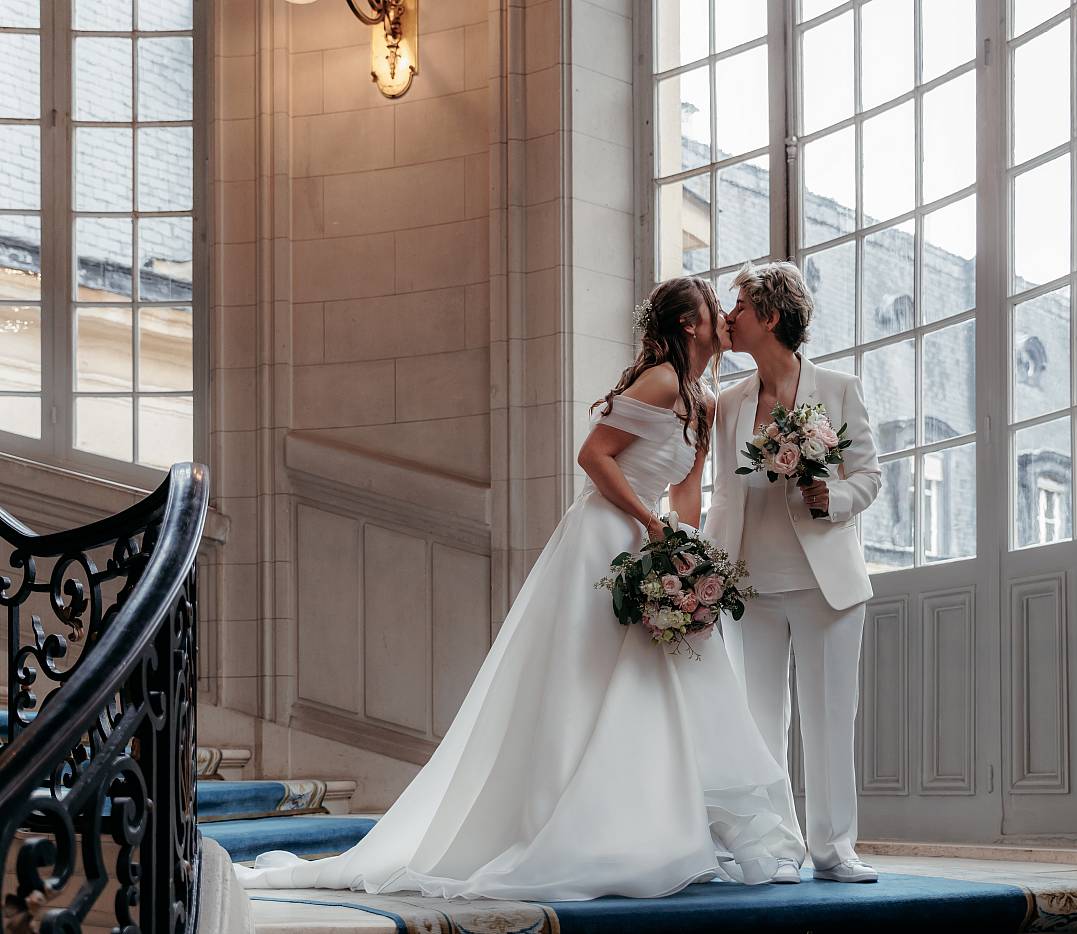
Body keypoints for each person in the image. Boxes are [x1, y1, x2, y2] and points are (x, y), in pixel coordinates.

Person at [235, 276, 805, 900]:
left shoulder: (703, 397)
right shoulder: (663, 379)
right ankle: (564, 825)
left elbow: (688, 490)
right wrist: (648, 524)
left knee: (652, 680)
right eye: (711, 308)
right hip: (605, 536)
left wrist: (686, 550)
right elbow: (593, 456)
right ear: (690, 325)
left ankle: (641, 826)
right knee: (587, 678)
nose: (724, 315)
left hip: (653, 540)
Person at [704, 261, 882, 883]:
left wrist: (828, 496)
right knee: (758, 723)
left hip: (825, 583)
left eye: (740, 308)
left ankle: (835, 850)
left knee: (831, 718)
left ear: (771, 316)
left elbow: (869, 477)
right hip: (751, 586)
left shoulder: (839, 388)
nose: (730, 318)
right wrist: (709, 569)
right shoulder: (727, 405)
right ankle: (776, 849)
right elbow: (722, 495)